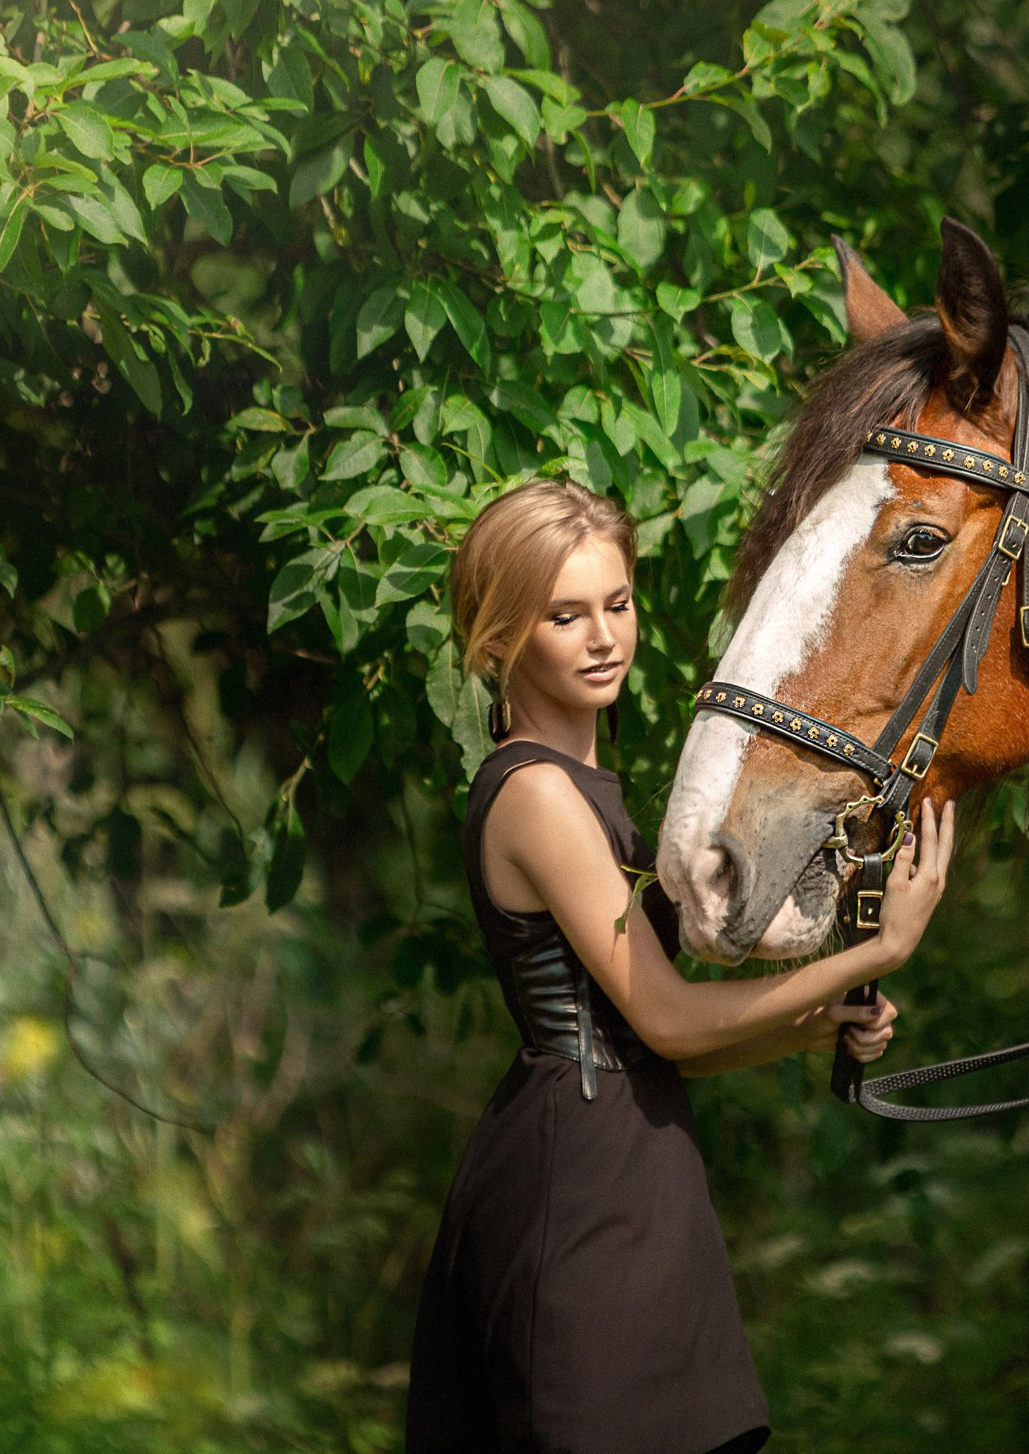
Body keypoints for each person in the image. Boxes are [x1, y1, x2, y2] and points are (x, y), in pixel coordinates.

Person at [408, 479, 954, 1454]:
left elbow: (669, 1048)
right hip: (577, 1196)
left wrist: (815, 1024)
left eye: (616, 604)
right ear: (497, 640)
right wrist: (880, 949)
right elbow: (665, 1020)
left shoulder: (592, 791)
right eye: (564, 615)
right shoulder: (535, 796)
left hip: (642, 1174)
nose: (603, 635)